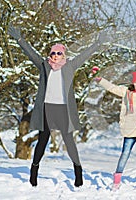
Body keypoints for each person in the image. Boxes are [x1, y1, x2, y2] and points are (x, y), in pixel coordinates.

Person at [8, 26, 107, 187]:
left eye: (58, 53)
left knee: (69, 141)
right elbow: (30, 52)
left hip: (63, 109)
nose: (55, 56)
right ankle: (34, 171)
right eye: (53, 53)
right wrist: (19, 39)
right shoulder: (44, 65)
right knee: (43, 139)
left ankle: (78, 171)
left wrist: (97, 44)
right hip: (47, 108)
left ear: (63, 54)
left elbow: (85, 55)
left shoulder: (70, 65)